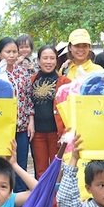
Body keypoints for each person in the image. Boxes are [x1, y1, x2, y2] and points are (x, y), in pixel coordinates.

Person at [30, 45, 70, 179]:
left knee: (57, 169)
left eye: (52, 58)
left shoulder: (65, 82)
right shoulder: (31, 80)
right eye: (45, 58)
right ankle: (42, 199)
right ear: (39, 60)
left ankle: (55, 200)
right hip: (37, 134)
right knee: (41, 170)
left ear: (56, 60)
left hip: (56, 133)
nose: (48, 62)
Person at [0, 37, 33, 193]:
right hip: (2, 128)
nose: (11, 55)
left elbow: (28, 98)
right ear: (0, 53)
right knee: (2, 166)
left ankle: (20, 204)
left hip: (21, 126)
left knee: (21, 164)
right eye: (8, 52)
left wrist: (30, 121)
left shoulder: (23, 73)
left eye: (14, 52)